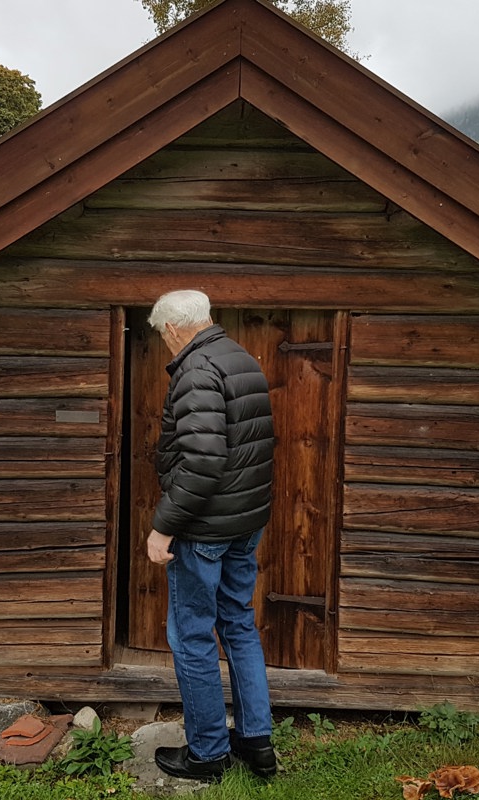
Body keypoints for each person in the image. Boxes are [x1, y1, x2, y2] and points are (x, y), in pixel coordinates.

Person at [145, 290, 278, 782]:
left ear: (176, 328)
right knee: (238, 625)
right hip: (245, 522)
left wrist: (163, 527)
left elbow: (202, 462)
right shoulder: (238, 357)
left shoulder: (197, 370)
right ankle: (256, 744)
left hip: (204, 530)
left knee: (193, 635)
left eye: (162, 334)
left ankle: (207, 755)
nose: (164, 343)